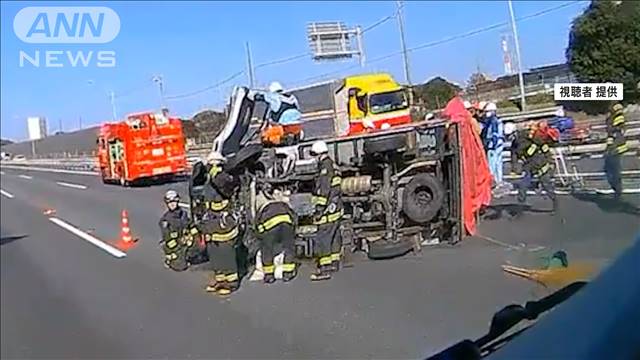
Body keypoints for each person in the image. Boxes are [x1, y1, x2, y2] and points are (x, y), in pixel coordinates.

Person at [199, 151, 243, 295]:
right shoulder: (209, 178)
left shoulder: (223, 177)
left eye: (215, 164)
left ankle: (231, 283)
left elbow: (225, 186)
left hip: (223, 223)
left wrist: (216, 173)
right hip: (211, 222)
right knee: (215, 253)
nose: (212, 167)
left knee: (226, 253)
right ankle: (221, 280)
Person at [505, 122, 558, 213]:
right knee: (523, 186)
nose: (509, 137)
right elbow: (513, 156)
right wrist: (514, 168)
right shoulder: (514, 145)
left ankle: (555, 202)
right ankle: (519, 209)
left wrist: (549, 159)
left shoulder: (527, 135)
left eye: (510, 135)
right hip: (528, 166)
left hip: (539, 162)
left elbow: (542, 145)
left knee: (546, 184)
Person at [310, 141, 344, 281]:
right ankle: (334, 262)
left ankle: (324, 268)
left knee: (323, 238)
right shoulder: (334, 166)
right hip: (336, 208)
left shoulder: (325, 168)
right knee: (334, 236)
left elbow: (323, 190)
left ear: (319, 155)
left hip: (327, 211)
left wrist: (318, 209)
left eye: (314, 155)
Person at [254, 185, 298, 284]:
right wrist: (293, 232)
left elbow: (257, 224)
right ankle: (288, 274)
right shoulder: (283, 204)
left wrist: (261, 238)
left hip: (271, 227)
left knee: (267, 249)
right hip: (287, 224)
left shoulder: (264, 207)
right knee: (289, 247)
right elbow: (294, 217)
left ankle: (269, 275)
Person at [250, 82, 303, 146]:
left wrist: (250, 95)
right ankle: (296, 136)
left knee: (264, 137)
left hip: (285, 127)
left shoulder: (274, 96)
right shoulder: (292, 97)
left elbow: (260, 97)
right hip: (298, 126)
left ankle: (283, 139)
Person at [159, 190, 195, 271]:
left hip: (185, 241)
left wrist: (192, 236)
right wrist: (180, 243)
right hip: (174, 245)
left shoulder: (184, 214)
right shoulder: (165, 220)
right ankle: (171, 259)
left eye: (174, 201)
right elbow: (167, 239)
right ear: (167, 203)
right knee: (180, 267)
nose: (172, 204)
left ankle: (187, 254)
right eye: (170, 202)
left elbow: (190, 225)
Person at [604, 102, 628, 200]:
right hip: (614, 145)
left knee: (613, 168)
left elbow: (618, 129)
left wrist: (612, 146)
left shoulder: (616, 112)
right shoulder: (612, 115)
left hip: (617, 145)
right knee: (612, 168)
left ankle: (617, 190)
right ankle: (617, 189)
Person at [482, 103, 507, 192]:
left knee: (492, 164)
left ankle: (493, 181)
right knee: (498, 163)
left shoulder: (492, 121)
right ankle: (499, 180)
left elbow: (493, 134)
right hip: (499, 143)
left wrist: (491, 144)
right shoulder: (499, 120)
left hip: (493, 145)